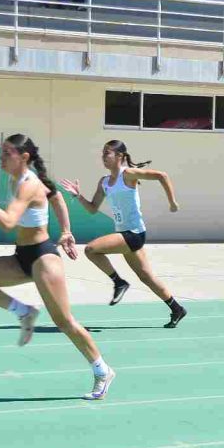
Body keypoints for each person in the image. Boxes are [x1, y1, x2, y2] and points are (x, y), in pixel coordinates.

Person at [0, 134, 114, 400]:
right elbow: (56, 198)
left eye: (7, 153)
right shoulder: (21, 180)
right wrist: (66, 230)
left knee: (64, 322)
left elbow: (8, 222)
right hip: (23, 256)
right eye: (2, 152)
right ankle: (24, 312)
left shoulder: (28, 185)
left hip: (43, 258)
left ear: (24, 157)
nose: (2, 157)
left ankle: (102, 370)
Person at [58, 140, 187, 329]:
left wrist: (172, 202)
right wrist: (78, 196)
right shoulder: (104, 182)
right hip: (124, 234)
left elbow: (162, 175)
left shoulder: (128, 174)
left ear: (120, 156)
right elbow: (93, 209)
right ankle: (177, 308)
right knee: (147, 277)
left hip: (134, 233)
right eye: (102, 154)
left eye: (107, 153)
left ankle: (119, 282)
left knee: (91, 249)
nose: (103, 157)